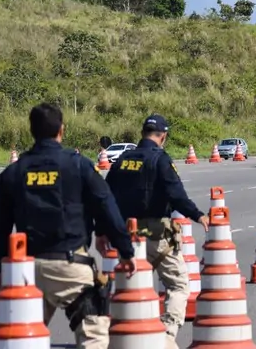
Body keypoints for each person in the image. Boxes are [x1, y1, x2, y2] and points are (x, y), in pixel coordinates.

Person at [0, 102, 137, 349]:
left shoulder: (13, 173)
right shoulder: (78, 165)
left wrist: (2, 267)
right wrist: (126, 250)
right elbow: (107, 207)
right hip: (71, 267)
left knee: (23, 340)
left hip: (27, 270)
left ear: (31, 131)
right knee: (94, 338)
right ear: (61, 130)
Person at [96, 113, 208, 348]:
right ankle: (166, 338)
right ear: (163, 136)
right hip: (156, 235)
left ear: (142, 133)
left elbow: (105, 197)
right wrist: (197, 214)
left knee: (131, 287)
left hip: (127, 236)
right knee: (178, 285)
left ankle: (123, 336)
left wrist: (102, 230)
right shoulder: (160, 159)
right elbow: (175, 194)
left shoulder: (123, 159)